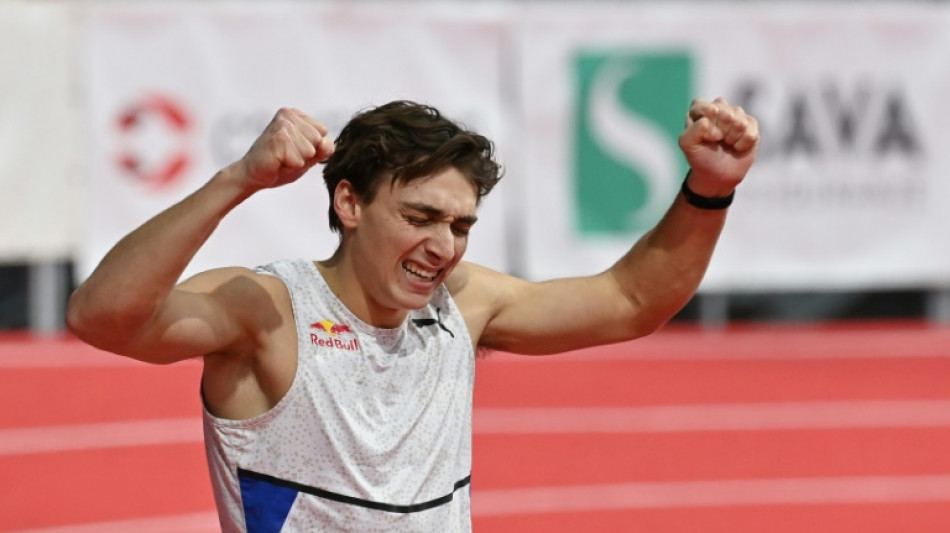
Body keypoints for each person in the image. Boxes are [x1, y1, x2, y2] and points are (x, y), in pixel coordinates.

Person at [67, 98, 758, 532]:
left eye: (460, 224)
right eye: (420, 217)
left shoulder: (465, 299)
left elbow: (632, 301)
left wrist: (708, 191)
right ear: (350, 204)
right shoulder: (268, 310)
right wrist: (236, 180)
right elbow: (103, 316)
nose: (443, 246)